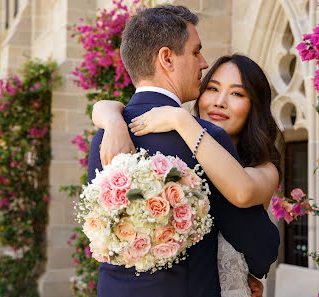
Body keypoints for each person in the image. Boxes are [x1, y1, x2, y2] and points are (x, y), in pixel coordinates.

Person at [87, 5, 280, 297]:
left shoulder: (105, 136)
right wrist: (248, 269)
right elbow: (258, 244)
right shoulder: (205, 137)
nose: (203, 63)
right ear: (166, 58)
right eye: (195, 51)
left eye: (237, 93)